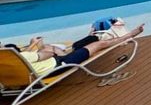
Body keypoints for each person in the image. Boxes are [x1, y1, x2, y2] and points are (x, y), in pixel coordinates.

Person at [15, 24, 144, 75]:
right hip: (58, 66)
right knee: (99, 44)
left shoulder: (8, 61)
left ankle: (91, 36)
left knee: (75, 45)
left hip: (37, 70)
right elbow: (48, 55)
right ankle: (129, 36)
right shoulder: (18, 57)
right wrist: (34, 47)